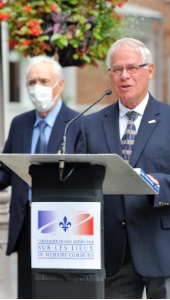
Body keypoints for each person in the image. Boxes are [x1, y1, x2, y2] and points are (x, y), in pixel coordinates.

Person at [75, 38, 170, 299]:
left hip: (166, 247)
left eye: (132, 68)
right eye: (117, 69)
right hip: (113, 251)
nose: (125, 76)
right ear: (110, 75)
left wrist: (152, 183)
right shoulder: (89, 125)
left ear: (150, 70)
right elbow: (80, 182)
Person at [0, 55, 83, 299]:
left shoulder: (79, 123)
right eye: (32, 82)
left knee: (59, 291)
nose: (37, 87)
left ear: (60, 84)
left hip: (62, 225)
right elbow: (6, 170)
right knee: (29, 291)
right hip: (26, 222)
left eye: (44, 80)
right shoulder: (20, 123)